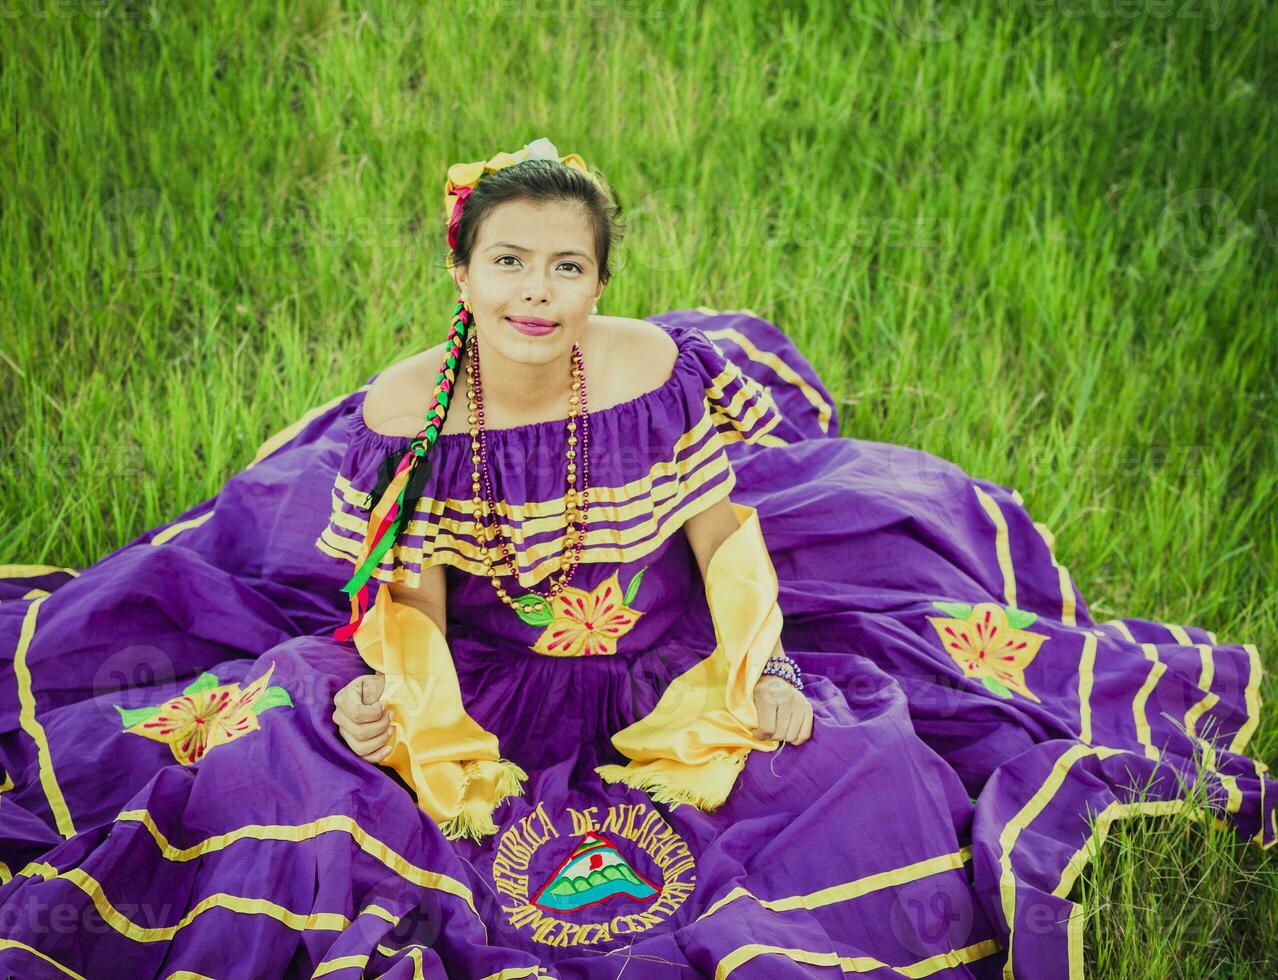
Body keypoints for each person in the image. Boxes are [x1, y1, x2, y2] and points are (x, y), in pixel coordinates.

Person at [0, 138, 1272, 980]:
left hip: (672, 648)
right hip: (493, 668)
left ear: (601, 278)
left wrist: (753, 671)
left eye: (567, 266)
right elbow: (410, 586)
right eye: (508, 262)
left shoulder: (653, 375)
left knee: (868, 771)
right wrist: (413, 708)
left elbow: (722, 527)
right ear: (461, 269)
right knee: (279, 780)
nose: (536, 292)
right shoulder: (408, 414)